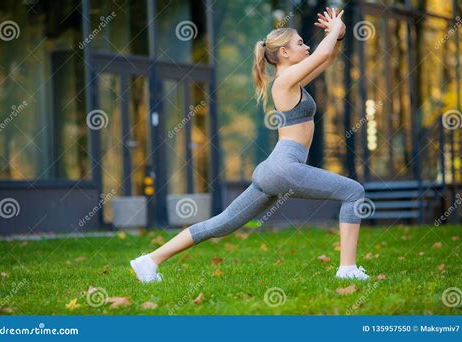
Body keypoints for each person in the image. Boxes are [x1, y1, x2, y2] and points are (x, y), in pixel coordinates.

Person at [130, 7, 370, 283]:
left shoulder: (293, 82)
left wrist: (337, 36)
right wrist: (334, 30)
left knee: (224, 223)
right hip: (284, 167)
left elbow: (326, 60)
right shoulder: (284, 82)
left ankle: (149, 261)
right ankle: (347, 269)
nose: (306, 47)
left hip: (274, 168)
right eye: (300, 43)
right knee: (353, 192)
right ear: (284, 53)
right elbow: (323, 54)